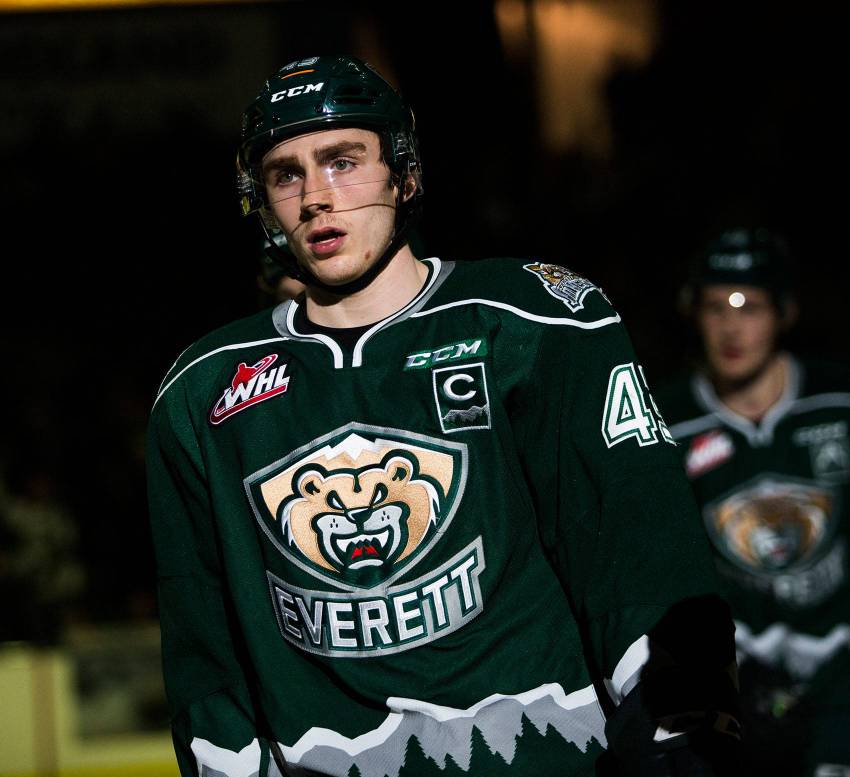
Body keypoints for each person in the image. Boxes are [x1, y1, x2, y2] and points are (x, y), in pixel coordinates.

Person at [147, 55, 740, 777]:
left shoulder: (536, 321)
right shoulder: (201, 390)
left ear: (404, 171)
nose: (315, 198)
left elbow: (638, 554)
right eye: (286, 173)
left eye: (342, 161)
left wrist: (682, 736)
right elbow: (204, 650)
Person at [654, 228, 850, 776]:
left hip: (848, 676)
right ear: (693, 314)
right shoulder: (661, 423)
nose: (731, 326)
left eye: (749, 306)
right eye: (715, 307)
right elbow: (657, 572)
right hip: (733, 692)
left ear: (784, 312)